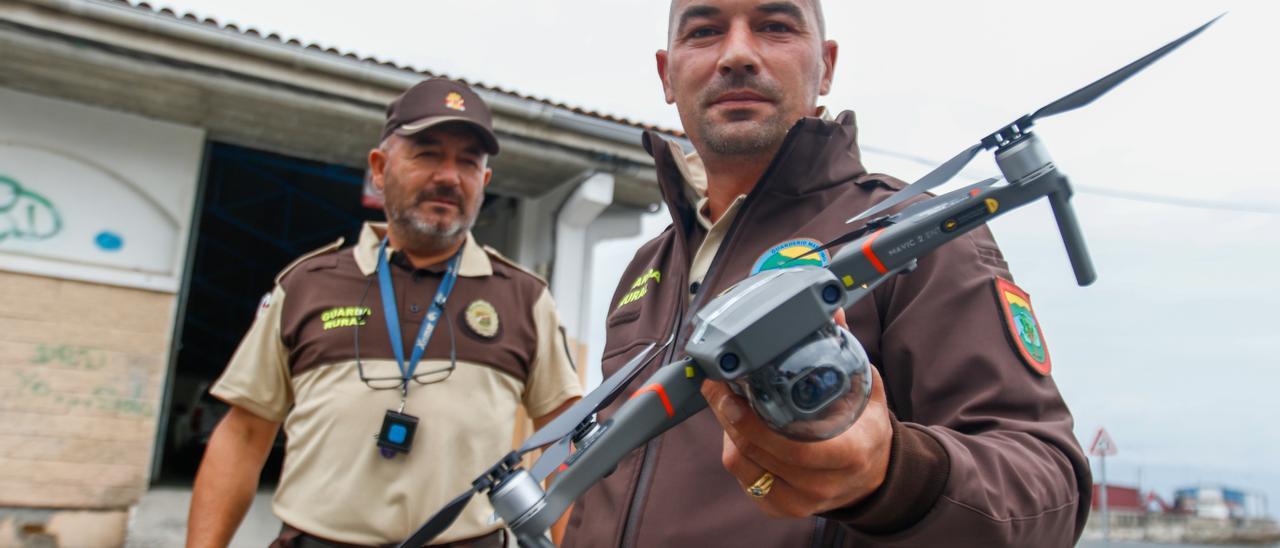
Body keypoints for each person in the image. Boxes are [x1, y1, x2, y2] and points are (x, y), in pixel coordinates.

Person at [563, 1, 1091, 547]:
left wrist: (890, 477)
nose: (738, 54)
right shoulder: (646, 267)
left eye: (774, 26)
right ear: (666, 73)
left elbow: (1048, 492)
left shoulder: (912, 235)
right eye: (704, 31)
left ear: (827, 65)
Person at [187, 79, 583, 548]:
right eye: (428, 153)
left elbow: (565, 446)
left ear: (485, 182)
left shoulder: (524, 298)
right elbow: (244, 435)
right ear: (379, 168)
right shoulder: (306, 285)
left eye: (468, 162)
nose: (449, 177)